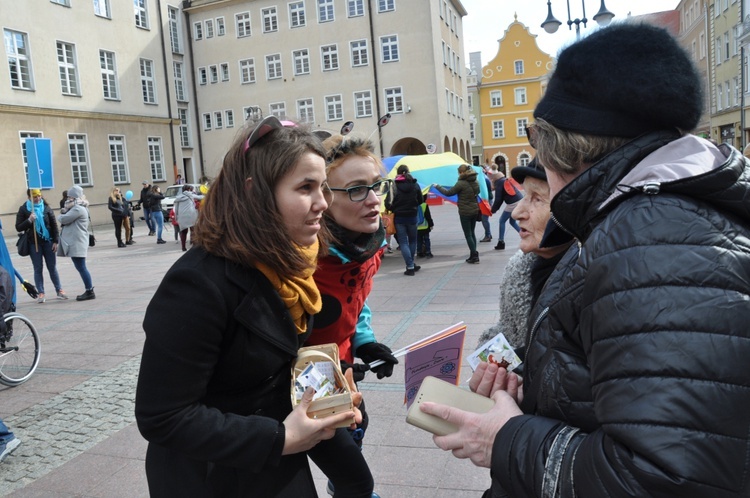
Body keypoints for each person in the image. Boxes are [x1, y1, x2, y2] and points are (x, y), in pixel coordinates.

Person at [421, 23, 750, 498]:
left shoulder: (649, 233)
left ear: (560, 145)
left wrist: (503, 439)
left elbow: (661, 477)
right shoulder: (655, 218)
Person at [135, 116, 374, 497]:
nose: (322, 203)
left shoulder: (293, 263)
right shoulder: (197, 284)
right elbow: (163, 416)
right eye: (305, 188)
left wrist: (330, 394)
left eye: (324, 188)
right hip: (214, 474)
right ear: (255, 193)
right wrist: (279, 438)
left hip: (272, 459)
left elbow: (281, 367)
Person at [308, 133, 398, 497]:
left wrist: (365, 342)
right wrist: (327, 369)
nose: (375, 200)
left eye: (377, 186)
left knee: (358, 430)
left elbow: (355, 300)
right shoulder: (305, 259)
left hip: (340, 364)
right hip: (304, 375)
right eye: (358, 190)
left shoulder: (368, 245)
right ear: (324, 199)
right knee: (354, 475)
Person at [476, 158, 574, 349]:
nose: (517, 212)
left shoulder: (595, 280)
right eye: (524, 195)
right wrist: (489, 362)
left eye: (537, 198)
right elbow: (508, 331)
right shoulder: (518, 271)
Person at [15, 188, 67, 303]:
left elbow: (54, 225)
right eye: (34, 197)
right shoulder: (24, 209)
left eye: (38, 196)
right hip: (34, 244)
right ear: (29, 197)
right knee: (38, 268)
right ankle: (41, 293)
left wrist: (55, 241)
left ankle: (59, 290)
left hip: (48, 242)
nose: (37, 198)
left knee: (52, 267)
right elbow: (18, 227)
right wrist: (29, 220)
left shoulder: (46, 208)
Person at [433, 164, 481, 264]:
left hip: (465, 211)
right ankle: (473, 254)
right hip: (475, 210)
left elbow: (448, 193)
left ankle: (474, 255)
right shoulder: (475, 181)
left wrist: (437, 186)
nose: (458, 174)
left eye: (459, 172)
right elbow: (478, 191)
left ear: (462, 173)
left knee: (468, 234)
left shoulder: (461, 183)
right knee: (472, 233)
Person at [58, 185, 95, 301]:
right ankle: (89, 290)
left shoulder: (77, 209)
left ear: (74, 197)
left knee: (81, 267)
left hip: (77, 242)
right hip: (77, 241)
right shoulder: (77, 207)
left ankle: (89, 291)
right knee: (80, 267)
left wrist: (61, 214)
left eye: (69, 196)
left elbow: (63, 219)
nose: (68, 199)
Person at [385, 164, 423, 275]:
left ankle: (410, 266)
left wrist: (394, 208)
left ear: (398, 173)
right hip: (412, 216)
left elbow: (388, 203)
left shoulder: (394, 185)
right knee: (413, 241)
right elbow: (420, 200)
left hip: (399, 218)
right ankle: (411, 264)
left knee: (403, 242)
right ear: (408, 171)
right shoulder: (415, 184)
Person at [490, 158, 523, 251]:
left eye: (491, 177)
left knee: (502, 221)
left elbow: (498, 199)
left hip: (513, 203)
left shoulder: (499, 182)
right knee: (512, 222)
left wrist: (493, 210)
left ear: (494, 177)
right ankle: (524, 236)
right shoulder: (503, 179)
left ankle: (501, 242)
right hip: (519, 199)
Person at [173, 184, 204, 251]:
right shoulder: (191, 195)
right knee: (193, 230)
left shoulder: (178, 197)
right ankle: (194, 246)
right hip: (191, 215)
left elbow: (176, 209)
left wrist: (176, 218)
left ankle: (183, 247)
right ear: (189, 189)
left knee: (183, 232)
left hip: (181, 216)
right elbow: (200, 197)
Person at [479, 167, 494, 243]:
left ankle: (488, 235)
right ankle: (488, 234)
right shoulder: (486, 178)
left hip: (486, 201)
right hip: (487, 200)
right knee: (484, 219)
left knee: (484, 219)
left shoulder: (483, 180)